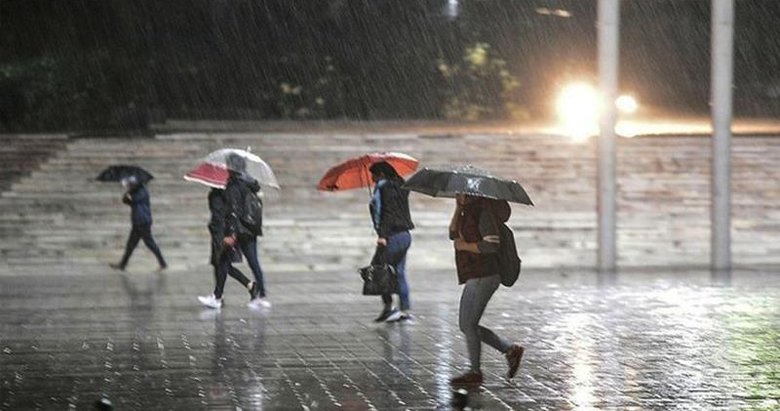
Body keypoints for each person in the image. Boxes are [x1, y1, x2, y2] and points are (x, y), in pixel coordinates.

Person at [448, 194, 524, 385]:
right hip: (475, 273)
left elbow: (491, 245)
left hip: (485, 274)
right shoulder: (468, 211)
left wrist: (464, 245)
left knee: (468, 324)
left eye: (462, 192)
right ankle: (510, 350)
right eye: (457, 193)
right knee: (468, 325)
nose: (458, 195)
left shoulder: (483, 212)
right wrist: (458, 208)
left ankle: (475, 372)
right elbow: (452, 233)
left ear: (472, 193)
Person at [368, 161, 415, 323]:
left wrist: (382, 235)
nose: (372, 178)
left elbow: (387, 212)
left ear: (380, 173)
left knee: (379, 270)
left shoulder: (383, 187)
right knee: (399, 272)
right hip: (405, 235)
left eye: (373, 174)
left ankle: (389, 308)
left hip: (392, 235)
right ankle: (404, 310)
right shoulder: (401, 185)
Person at [197, 187, 258, 309]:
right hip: (221, 234)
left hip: (223, 234)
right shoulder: (220, 193)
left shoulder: (223, 194)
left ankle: (218, 296)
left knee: (222, 263)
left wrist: (228, 235)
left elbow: (226, 215)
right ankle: (249, 285)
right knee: (221, 264)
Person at [110, 176, 167, 271]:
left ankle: (163, 263)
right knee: (131, 244)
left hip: (143, 221)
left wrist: (130, 192)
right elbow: (128, 202)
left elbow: (135, 200)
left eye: (130, 185)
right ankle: (122, 265)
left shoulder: (143, 192)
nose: (128, 186)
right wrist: (127, 195)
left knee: (149, 243)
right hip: (137, 221)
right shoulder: (135, 191)